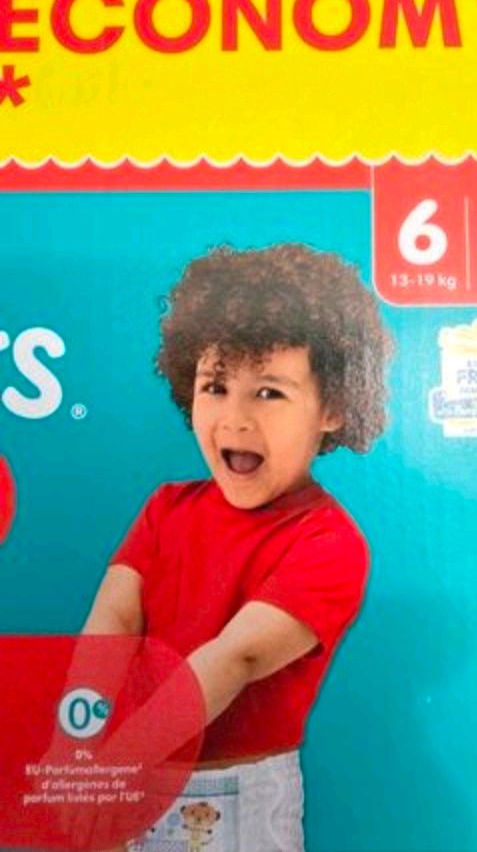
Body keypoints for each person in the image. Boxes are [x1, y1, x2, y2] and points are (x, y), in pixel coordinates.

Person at [82, 242, 393, 852]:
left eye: (269, 392)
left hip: (239, 798)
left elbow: (234, 658)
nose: (235, 419)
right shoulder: (166, 507)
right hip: (131, 778)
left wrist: (117, 763)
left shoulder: (329, 542)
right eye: (216, 386)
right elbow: (110, 624)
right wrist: (77, 744)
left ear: (333, 406)